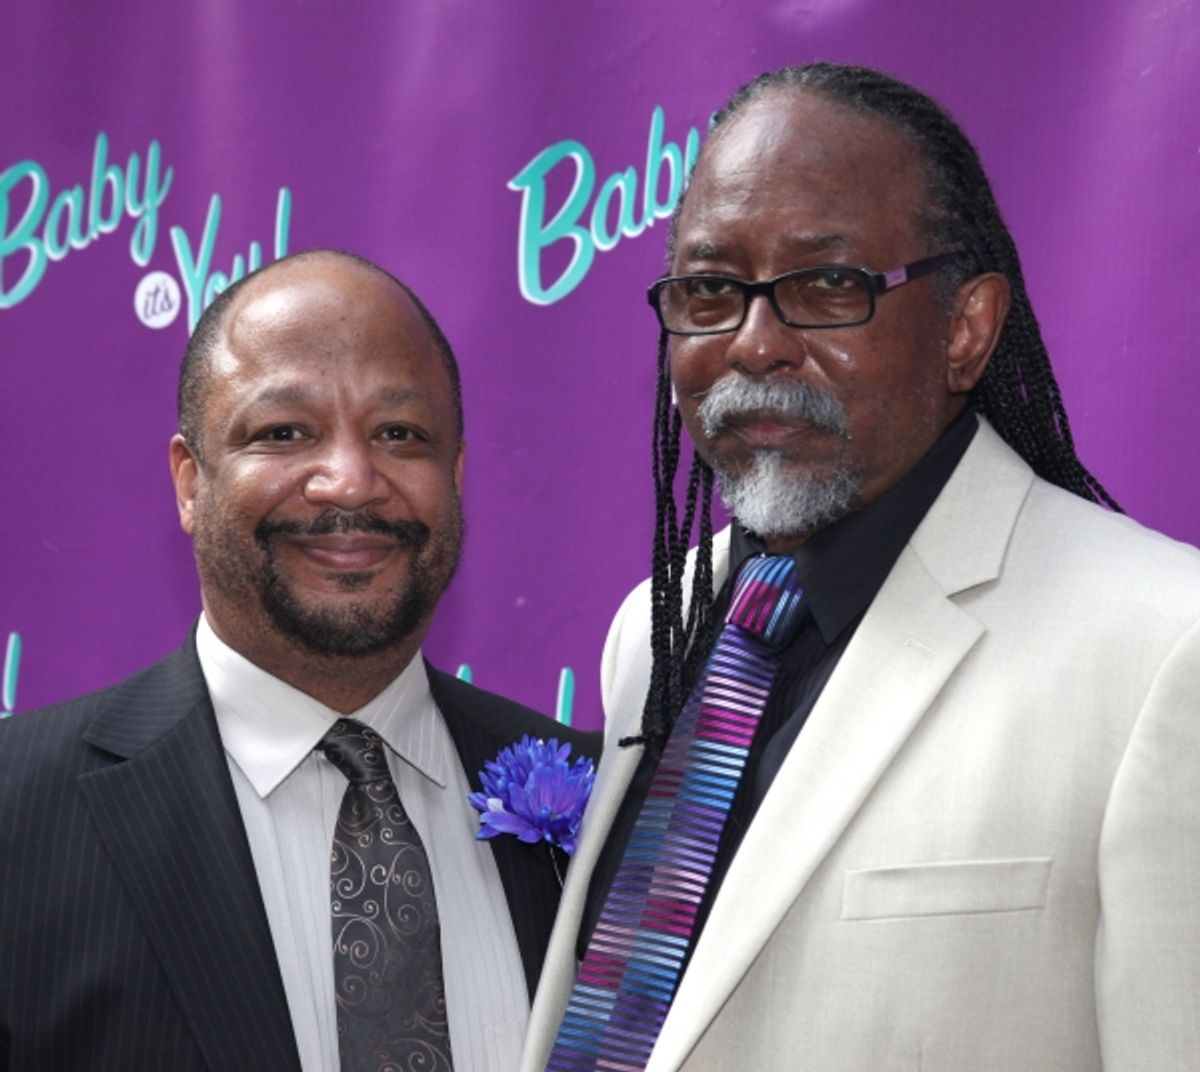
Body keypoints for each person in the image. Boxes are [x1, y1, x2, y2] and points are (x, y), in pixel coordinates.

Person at [521, 63, 1200, 1072]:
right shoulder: (656, 628)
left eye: (827, 285)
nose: (754, 342)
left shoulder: (1163, 648)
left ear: (965, 327)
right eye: (711, 289)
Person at [0, 249, 597, 1072]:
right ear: (189, 482)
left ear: (455, 476)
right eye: (283, 433)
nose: (350, 482)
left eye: (400, 434)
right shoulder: (16, 813)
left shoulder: (606, 815)